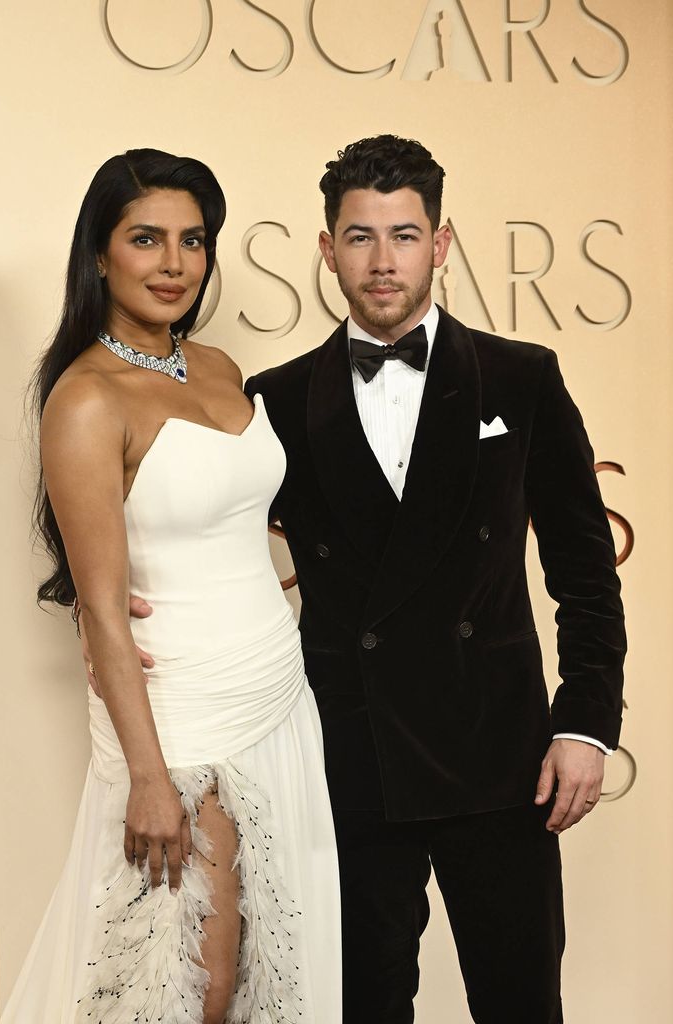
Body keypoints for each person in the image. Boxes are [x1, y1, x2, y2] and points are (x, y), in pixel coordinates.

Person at [122, 135, 626, 1022]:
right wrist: (105, 611)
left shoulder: (523, 377)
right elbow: (184, 509)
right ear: (327, 250)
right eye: (359, 237)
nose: (382, 262)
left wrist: (585, 724)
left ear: (441, 243)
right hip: (346, 757)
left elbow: (585, 571)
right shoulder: (274, 400)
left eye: (403, 235)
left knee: (521, 1004)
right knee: (361, 1007)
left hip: (500, 758)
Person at [0, 149, 341, 1024]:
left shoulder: (220, 369)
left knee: (273, 967)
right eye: (146, 238)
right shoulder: (85, 400)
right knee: (196, 989)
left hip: (276, 694)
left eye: (193, 240)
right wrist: (149, 777)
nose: (174, 262)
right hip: (181, 721)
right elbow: (103, 609)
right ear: (101, 254)